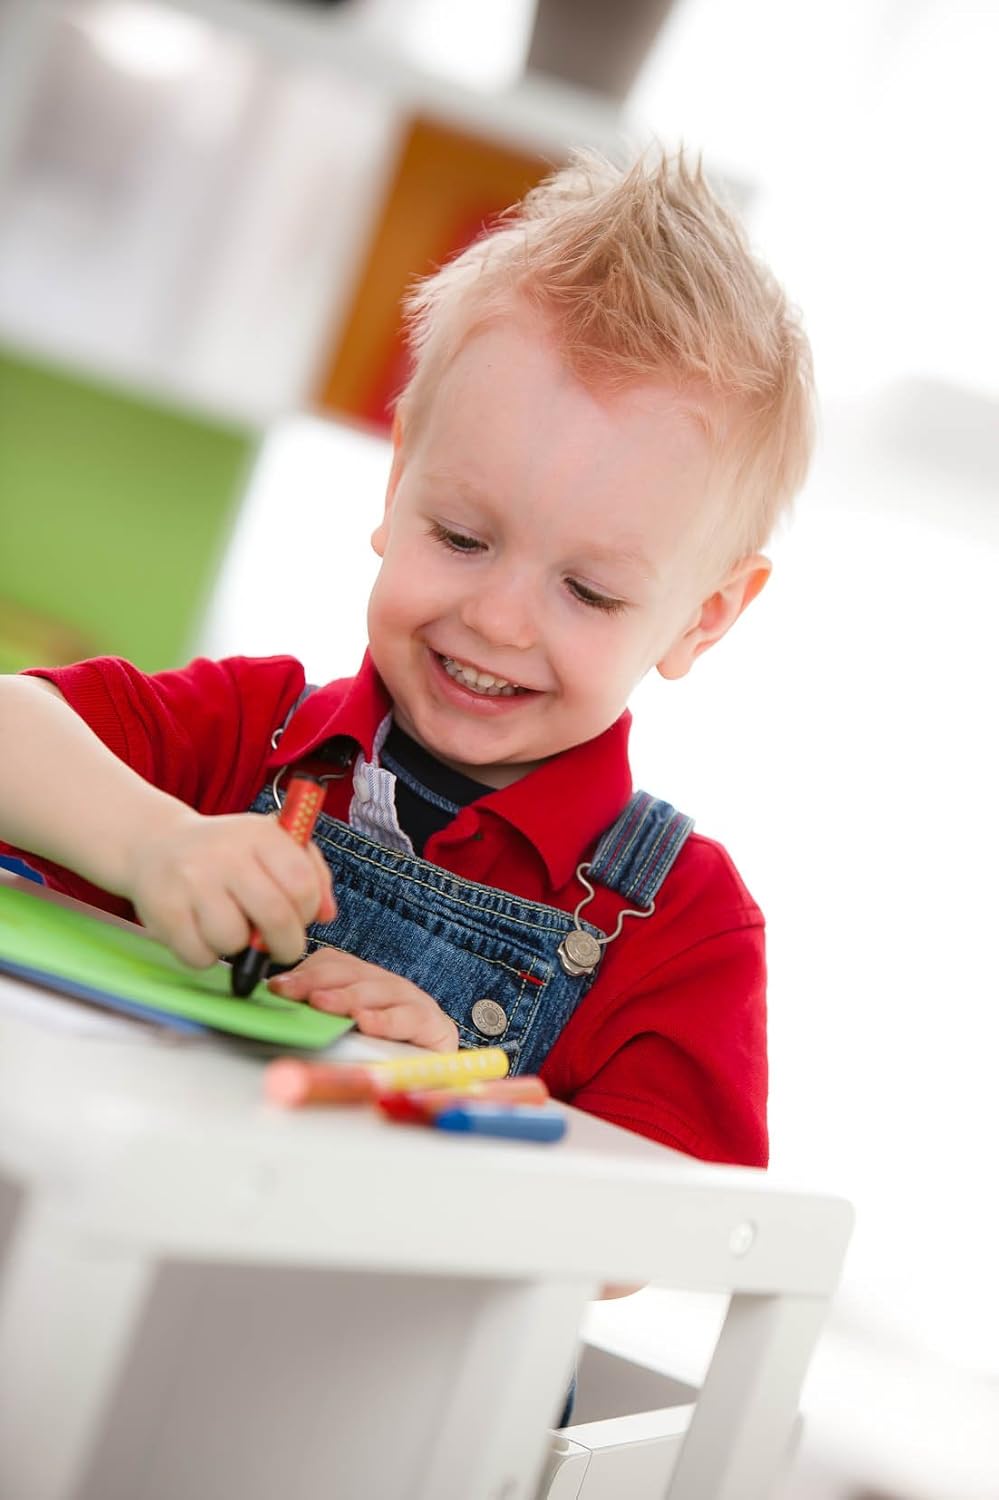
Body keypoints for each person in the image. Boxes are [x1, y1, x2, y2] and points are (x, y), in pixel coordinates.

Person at [0, 149, 814, 1171]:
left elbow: (654, 1232)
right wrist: (151, 842)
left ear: (705, 618)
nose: (501, 622)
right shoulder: (252, 732)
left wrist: (446, 1099)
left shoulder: (685, 929)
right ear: (396, 493)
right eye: (464, 538)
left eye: (590, 592)